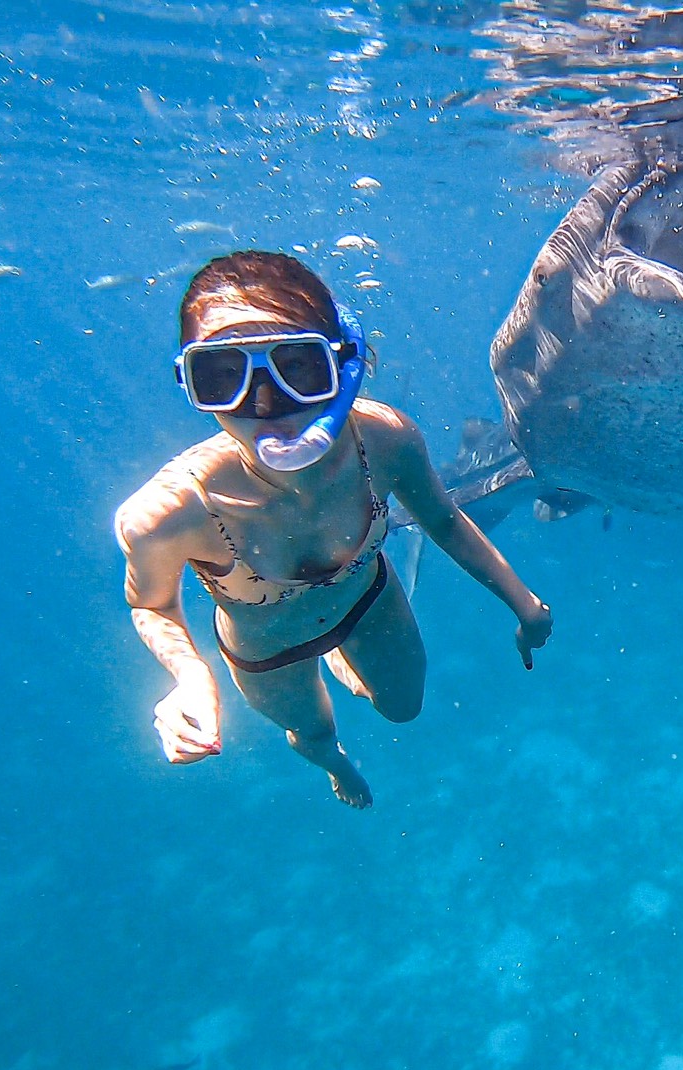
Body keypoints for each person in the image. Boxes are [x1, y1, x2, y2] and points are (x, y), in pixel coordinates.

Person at [114, 250, 552, 808]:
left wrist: (524, 605)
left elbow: (443, 519)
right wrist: (190, 676)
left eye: (296, 366)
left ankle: (344, 659)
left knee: (402, 707)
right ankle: (338, 769)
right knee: (316, 735)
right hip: (265, 650)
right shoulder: (166, 514)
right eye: (223, 375)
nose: (265, 404)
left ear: (343, 367)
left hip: (369, 603)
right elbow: (150, 605)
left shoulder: (385, 440)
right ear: (190, 383)